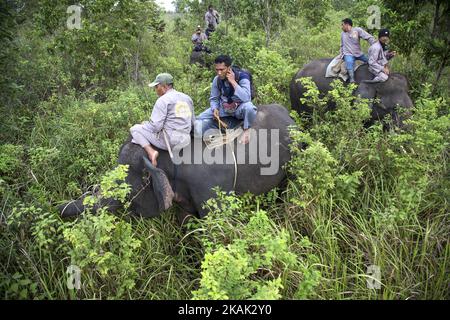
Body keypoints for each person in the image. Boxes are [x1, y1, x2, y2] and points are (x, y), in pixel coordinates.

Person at [130, 73, 194, 166]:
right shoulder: (187, 98)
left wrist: (144, 125)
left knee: (135, 129)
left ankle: (151, 152)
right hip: (185, 139)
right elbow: (192, 122)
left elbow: (155, 127)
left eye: (156, 86)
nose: (155, 90)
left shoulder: (163, 100)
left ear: (164, 87)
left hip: (171, 141)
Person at [194, 55, 257, 145]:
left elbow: (246, 98)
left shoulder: (243, 77)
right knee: (198, 119)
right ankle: (213, 133)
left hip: (238, 108)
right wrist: (214, 108)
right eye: (217, 70)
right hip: (223, 108)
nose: (219, 73)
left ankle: (246, 130)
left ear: (228, 68)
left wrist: (233, 81)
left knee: (250, 108)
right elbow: (214, 98)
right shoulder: (217, 79)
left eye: (222, 70)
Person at [340, 18, 377, 83]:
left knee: (370, 61)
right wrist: (341, 53)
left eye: (342, 25)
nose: (341, 27)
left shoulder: (357, 30)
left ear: (347, 25)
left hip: (358, 53)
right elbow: (342, 45)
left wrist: (374, 44)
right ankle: (352, 79)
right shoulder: (342, 33)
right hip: (348, 54)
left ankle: (377, 74)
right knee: (349, 62)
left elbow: (368, 37)